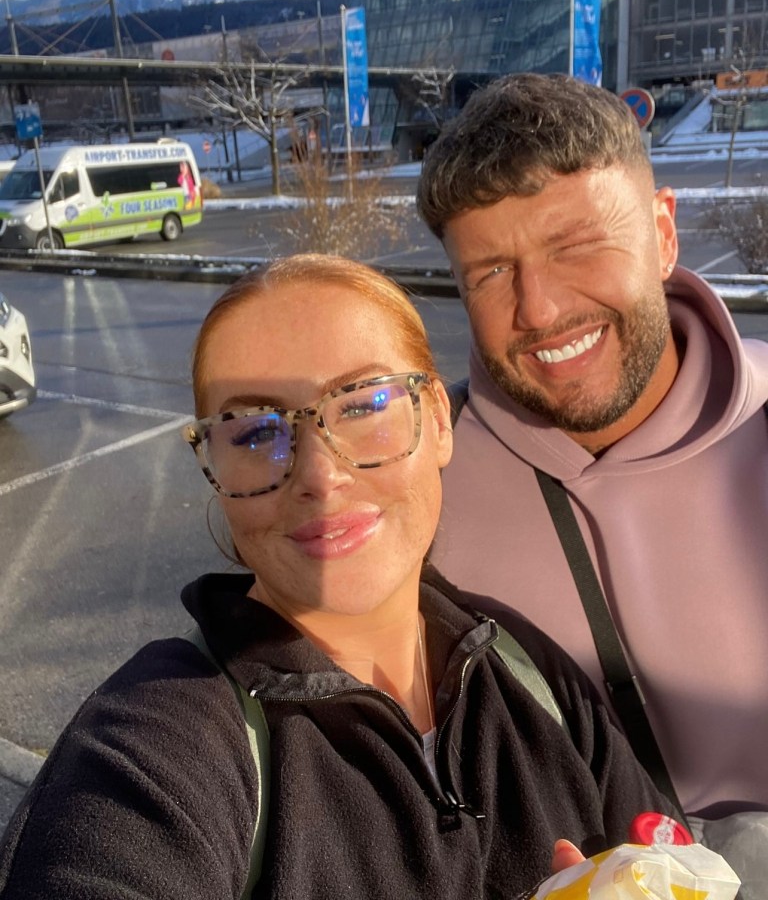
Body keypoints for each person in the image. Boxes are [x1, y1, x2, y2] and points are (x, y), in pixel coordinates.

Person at [0, 255, 675, 898]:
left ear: (438, 420)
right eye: (257, 433)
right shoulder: (155, 748)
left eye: (361, 405)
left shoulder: (526, 670)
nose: (321, 479)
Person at [416, 72, 768, 821]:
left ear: (663, 233)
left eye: (576, 246)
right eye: (491, 273)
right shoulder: (419, 485)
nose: (538, 308)